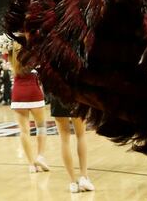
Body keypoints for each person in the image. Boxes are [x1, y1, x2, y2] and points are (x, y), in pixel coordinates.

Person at [6, 39, 49, 173]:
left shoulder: (11, 57)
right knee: (41, 126)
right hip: (34, 92)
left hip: (18, 93)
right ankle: (40, 156)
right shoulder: (34, 57)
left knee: (24, 131)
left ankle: (31, 164)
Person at [49, 94, 94, 193]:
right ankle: (84, 177)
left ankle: (73, 182)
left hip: (58, 97)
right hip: (76, 95)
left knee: (64, 139)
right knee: (81, 135)